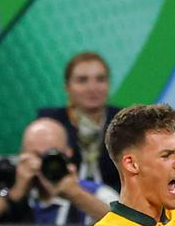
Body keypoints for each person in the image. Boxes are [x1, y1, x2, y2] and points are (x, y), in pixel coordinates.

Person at [0, 117, 117, 226]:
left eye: (51, 155)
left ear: (68, 154)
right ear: (22, 156)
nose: (42, 164)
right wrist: (13, 195)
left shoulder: (94, 192)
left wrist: (76, 195)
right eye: (36, 155)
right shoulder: (16, 198)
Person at [37, 51, 122, 191]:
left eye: (100, 79)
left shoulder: (126, 122)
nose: (92, 88)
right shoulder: (50, 124)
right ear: (67, 87)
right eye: (82, 80)